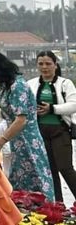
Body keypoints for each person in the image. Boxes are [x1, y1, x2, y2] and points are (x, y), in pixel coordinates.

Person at [0, 50, 54, 200]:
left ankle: (47, 215)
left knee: (37, 180)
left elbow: (21, 119)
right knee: (20, 184)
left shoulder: (17, 86)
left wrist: (1, 140)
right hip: (17, 142)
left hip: (28, 141)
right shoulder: (8, 86)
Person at [27, 50, 76, 201]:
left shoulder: (65, 84)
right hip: (39, 134)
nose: (44, 67)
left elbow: (74, 105)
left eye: (48, 64)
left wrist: (52, 109)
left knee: (65, 168)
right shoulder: (31, 84)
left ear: (55, 65)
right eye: (41, 64)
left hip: (60, 131)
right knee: (49, 171)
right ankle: (58, 206)